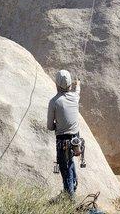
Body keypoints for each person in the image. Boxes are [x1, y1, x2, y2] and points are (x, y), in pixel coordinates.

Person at [47, 69, 81, 199]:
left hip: (62, 140)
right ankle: (72, 188)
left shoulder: (54, 102)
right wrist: (77, 83)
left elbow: (50, 126)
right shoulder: (75, 97)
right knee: (70, 162)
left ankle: (69, 196)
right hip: (75, 139)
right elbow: (78, 90)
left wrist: (58, 125)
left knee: (65, 167)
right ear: (69, 85)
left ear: (56, 84)